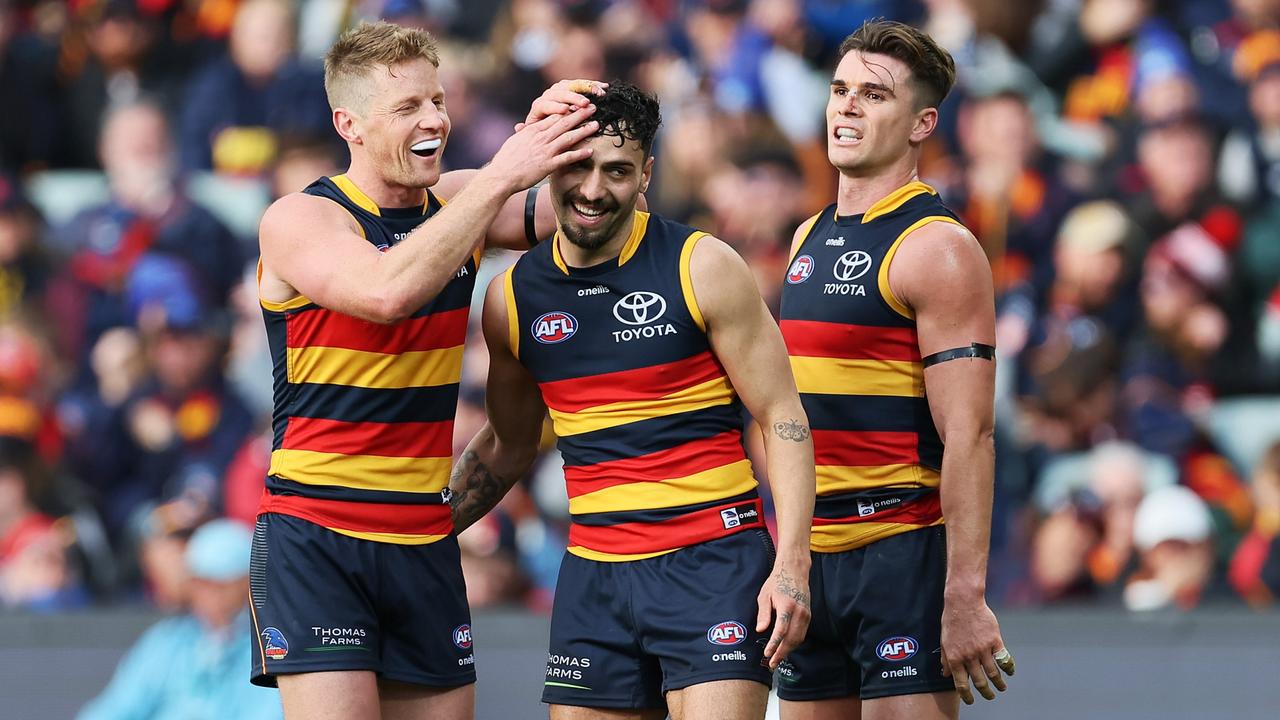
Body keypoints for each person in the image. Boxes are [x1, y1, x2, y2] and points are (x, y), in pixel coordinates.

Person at [252, 20, 605, 720]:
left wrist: (580, 130)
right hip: (320, 535)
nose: (435, 120)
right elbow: (387, 292)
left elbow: (601, 212)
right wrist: (505, 169)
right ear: (348, 124)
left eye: (438, 101)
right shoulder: (301, 220)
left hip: (422, 538)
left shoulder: (462, 200)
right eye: (407, 107)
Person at [447, 82, 815, 720]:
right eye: (576, 167)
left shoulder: (702, 266)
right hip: (595, 576)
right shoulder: (512, 300)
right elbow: (507, 447)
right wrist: (416, 534)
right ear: (546, 169)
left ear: (646, 175)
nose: (592, 190)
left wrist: (791, 563)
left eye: (617, 170)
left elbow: (781, 415)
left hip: (714, 566)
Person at [773, 20, 1014, 718]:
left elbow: (970, 435)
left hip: (899, 556)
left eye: (873, 96)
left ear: (921, 123)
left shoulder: (936, 248)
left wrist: (965, 595)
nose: (846, 107)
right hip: (812, 560)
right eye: (840, 90)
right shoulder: (808, 235)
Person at [78, 519, 281, 720]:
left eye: (220, 583)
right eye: (200, 582)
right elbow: (114, 708)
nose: (208, 594)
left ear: (246, 583)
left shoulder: (270, 650)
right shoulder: (166, 641)